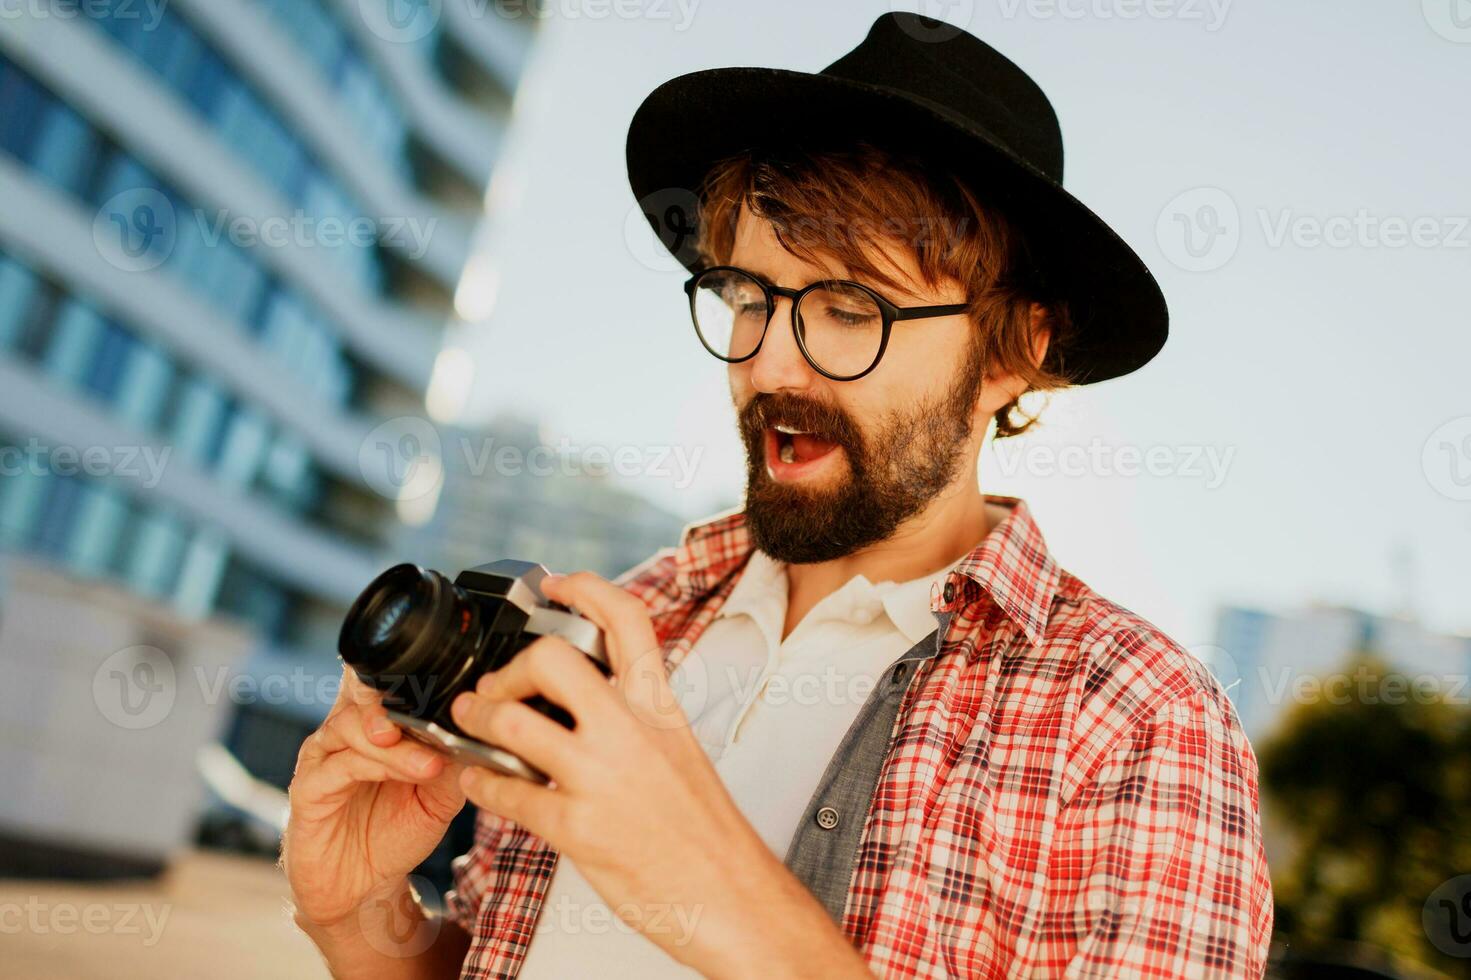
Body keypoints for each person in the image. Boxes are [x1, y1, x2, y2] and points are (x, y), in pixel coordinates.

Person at [282, 12, 1273, 978]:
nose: (766, 363)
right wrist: (360, 915)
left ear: (1016, 350)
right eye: (748, 297)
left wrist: (711, 884)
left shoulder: (1137, 720)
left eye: (848, 308)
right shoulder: (637, 618)